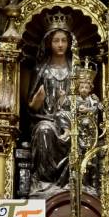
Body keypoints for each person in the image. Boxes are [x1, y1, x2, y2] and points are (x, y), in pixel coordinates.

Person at [28, 18, 73, 194]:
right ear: (49, 43)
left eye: (64, 40)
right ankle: (44, 181)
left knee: (80, 134)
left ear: (69, 43)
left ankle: (74, 183)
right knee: (44, 130)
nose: (60, 45)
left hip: (71, 122)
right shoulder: (41, 70)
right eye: (56, 41)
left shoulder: (75, 70)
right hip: (46, 119)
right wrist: (38, 100)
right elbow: (31, 108)